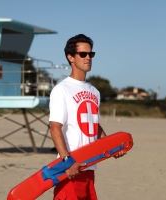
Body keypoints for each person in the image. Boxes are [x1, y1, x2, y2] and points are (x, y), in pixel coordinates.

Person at [49, 34, 123, 200]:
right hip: (70, 171)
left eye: (91, 54)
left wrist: (111, 148)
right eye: (83, 54)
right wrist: (67, 162)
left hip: (90, 168)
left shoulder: (94, 91)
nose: (88, 58)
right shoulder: (61, 89)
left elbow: (94, 126)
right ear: (71, 57)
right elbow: (55, 128)